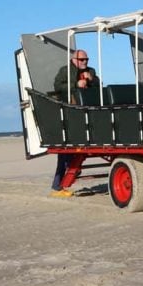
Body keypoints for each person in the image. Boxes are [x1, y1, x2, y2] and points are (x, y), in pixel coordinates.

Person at [50, 49, 98, 197]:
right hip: (69, 111)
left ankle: (65, 178)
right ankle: (57, 185)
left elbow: (98, 86)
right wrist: (76, 84)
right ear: (74, 59)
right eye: (82, 60)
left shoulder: (91, 70)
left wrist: (91, 80)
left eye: (87, 60)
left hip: (86, 111)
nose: (85, 62)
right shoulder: (65, 70)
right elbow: (57, 86)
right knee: (66, 153)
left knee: (75, 151)